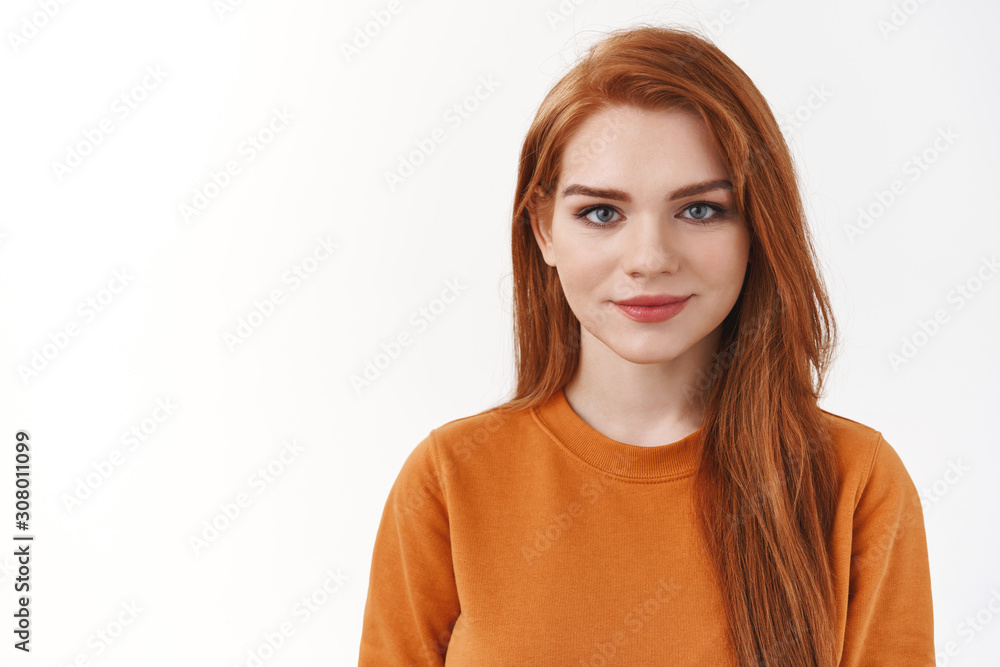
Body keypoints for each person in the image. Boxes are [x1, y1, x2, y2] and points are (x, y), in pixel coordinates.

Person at [358, 23, 934, 667]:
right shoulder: (448, 478)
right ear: (543, 228)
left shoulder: (856, 481)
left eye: (700, 210)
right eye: (602, 212)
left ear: (757, 227)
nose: (650, 258)